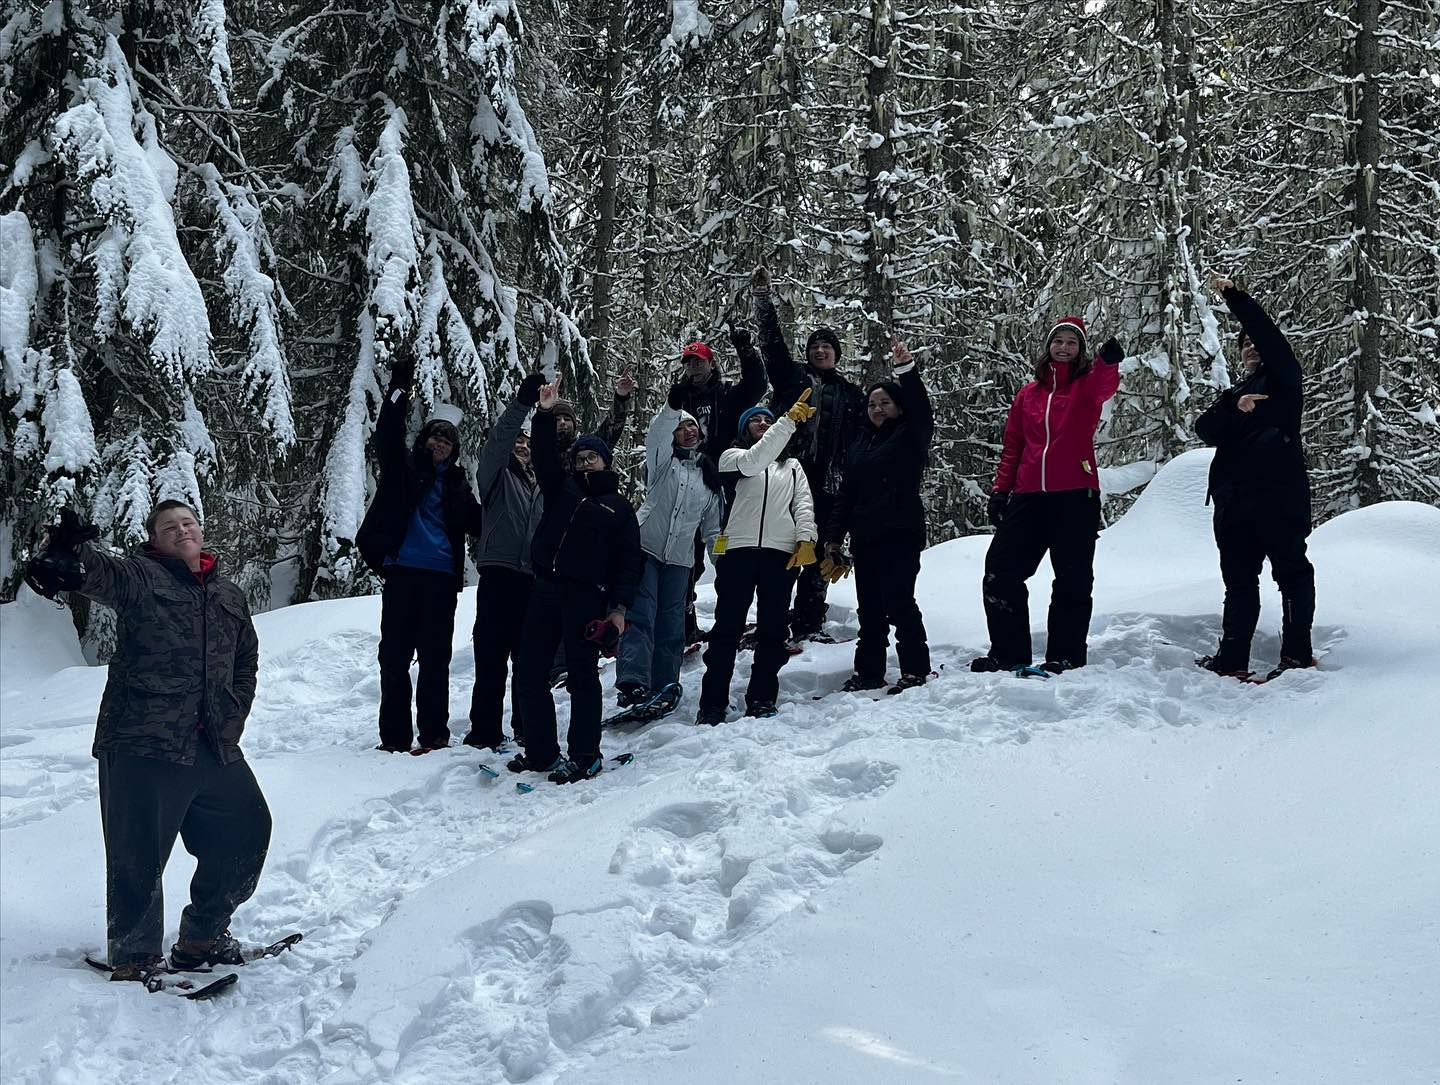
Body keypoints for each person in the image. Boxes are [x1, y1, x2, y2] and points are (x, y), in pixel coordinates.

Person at [28, 501, 271, 981]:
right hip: (143, 740)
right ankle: (136, 956)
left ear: (201, 531)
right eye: (169, 526)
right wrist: (74, 552)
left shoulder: (228, 594)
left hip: (212, 742)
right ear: (155, 540)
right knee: (138, 856)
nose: (181, 530)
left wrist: (234, 712)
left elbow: (247, 659)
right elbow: (99, 574)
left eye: (188, 523)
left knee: (246, 829)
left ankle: (202, 936)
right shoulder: (140, 578)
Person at [507, 375, 642, 784]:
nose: (585, 462)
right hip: (544, 590)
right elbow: (545, 456)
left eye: (592, 457)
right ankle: (541, 752)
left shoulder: (618, 508)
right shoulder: (559, 487)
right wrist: (544, 412)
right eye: (580, 457)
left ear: (605, 462)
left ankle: (585, 755)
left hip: (586, 597)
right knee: (530, 672)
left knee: (583, 678)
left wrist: (618, 611)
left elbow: (628, 563)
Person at [973, 317, 1124, 674]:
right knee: (1000, 571)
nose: (1064, 348)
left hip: (1075, 494)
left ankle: (1065, 654)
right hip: (1029, 495)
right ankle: (1009, 652)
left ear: (1080, 350)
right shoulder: (1029, 394)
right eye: (1059, 341)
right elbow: (1014, 445)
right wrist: (1000, 491)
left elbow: (1106, 385)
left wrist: (1108, 361)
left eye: (1072, 343)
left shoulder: (1086, 386)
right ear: (1048, 346)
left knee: (1072, 578)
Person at [357, 350, 484, 753]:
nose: (440, 443)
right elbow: (387, 433)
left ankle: (434, 735)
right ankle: (393, 739)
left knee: (434, 662)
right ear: (424, 439)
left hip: (441, 582)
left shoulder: (459, 487)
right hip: (402, 574)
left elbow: (482, 524)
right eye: (434, 435)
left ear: (455, 448)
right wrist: (399, 384)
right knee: (393, 658)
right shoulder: (403, 470)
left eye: (447, 439)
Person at [1194, 276, 1316, 681]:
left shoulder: (1284, 379)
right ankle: (1232, 660)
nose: (1250, 348)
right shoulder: (1239, 392)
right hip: (1235, 504)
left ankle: (1297, 656)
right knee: (1239, 584)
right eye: (1243, 344)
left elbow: (1268, 333)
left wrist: (1234, 297)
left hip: (1278, 499)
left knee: (1292, 575)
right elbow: (1204, 428)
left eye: (1254, 343)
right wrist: (1234, 403)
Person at [750, 265, 867, 643]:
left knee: (820, 552)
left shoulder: (853, 395)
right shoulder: (792, 378)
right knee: (784, 548)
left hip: (832, 483)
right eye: (815, 346)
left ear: (836, 354)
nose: (820, 350)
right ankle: (772, 619)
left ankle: (809, 623)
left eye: (827, 346)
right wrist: (763, 300)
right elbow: (771, 345)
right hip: (789, 475)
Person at [696, 390, 819, 725]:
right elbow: (755, 461)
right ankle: (712, 703)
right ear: (744, 428)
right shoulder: (732, 457)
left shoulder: (793, 467)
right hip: (737, 550)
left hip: (780, 554)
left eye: (768, 419)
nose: (763, 423)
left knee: (773, 629)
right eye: (756, 419)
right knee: (726, 629)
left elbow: (803, 505)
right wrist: (786, 422)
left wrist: (805, 538)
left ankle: (763, 697)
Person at [824, 340, 935, 693]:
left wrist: (906, 371)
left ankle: (916, 669)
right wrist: (833, 537)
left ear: (899, 407)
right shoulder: (860, 445)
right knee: (869, 608)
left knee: (900, 602)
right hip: (866, 535)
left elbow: (921, 409)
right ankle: (869, 671)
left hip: (901, 531)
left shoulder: (910, 435)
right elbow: (846, 495)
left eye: (885, 402)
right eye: (872, 404)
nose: (877, 409)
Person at [615, 392, 725, 716]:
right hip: (644, 548)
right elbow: (657, 433)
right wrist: (672, 408)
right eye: (681, 428)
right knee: (641, 614)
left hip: (679, 560)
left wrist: (724, 561)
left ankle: (664, 684)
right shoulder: (662, 461)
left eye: (692, 427)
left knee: (671, 623)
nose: (688, 431)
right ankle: (633, 681)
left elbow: (714, 530)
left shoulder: (710, 478)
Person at [464, 372, 547, 749]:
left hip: (530, 578)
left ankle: (524, 728)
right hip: (498, 574)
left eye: (526, 441)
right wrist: (523, 404)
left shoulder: (539, 484)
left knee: (527, 660)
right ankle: (484, 732)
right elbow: (499, 440)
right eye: (518, 440)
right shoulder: (495, 476)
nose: (522, 445)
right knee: (491, 658)